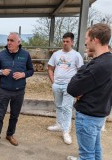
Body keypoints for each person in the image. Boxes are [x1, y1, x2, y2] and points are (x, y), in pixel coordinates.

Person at [67, 23, 112, 160]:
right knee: (96, 149)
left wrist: (81, 72)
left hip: (88, 116)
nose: (85, 42)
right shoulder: (109, 61)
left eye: (87, 38)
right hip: (100, 113)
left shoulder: (96, 66)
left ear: (95, 39)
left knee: (86, 155)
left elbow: (72, 88)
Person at [0, 32, 34, 151]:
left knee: (14, 115)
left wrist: (23, 74)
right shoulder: (1, 55)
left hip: (19, 91)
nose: (9, 43)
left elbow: (31, 70)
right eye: (8, 40)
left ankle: (10, 135)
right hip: (4, 90)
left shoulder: (25, 55)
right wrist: (1, 72)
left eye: (11, 40)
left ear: (18, 42)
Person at [47, 32, 84, 145]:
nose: (65, 43)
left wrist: (76, 85)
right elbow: (50, 68)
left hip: (69, 86)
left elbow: (81, 72)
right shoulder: (56, 54)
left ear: (72, 42)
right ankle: (59, 124)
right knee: (58, 105)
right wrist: (53, 82)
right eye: (63, 41)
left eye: (67, 41)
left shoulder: (76, 55)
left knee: (67, 108)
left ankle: (66, 131)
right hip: (57, 85)